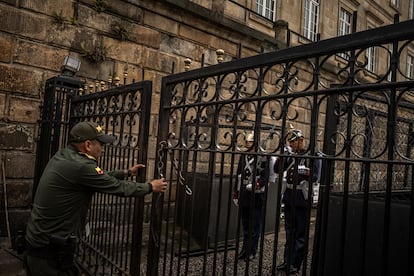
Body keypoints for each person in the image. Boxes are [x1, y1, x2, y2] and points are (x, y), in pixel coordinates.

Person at [25, 121, 168, 276]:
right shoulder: (82, 166)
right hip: (49, 253)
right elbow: (117, 187)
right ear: (87, 145)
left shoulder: (66, 156)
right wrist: (150, 187)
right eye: (101, 144)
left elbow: (97, 177)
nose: (103, 149)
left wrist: (126, 172)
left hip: (40, 242)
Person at [276, 129, 321, 274]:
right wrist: (281, 156)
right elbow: (277, 170)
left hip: (302, 198)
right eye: (289, 142)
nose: (291, 145)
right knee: (289, 232)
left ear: (300, 141)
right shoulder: (290, 156)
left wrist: (303, 170)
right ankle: (287, 260)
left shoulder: (311, 156)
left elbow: (315, 176)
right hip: (289, 197)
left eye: (292, 142)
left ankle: (295, 263)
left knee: (300, 234)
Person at [232, 132, 267, 261]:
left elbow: (265, 176)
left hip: (256, 195)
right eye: (247, 141)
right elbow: (238, 173)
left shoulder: (262, 157)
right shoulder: (243, 156)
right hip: (244, 194)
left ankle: (252, 251)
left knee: (254, 227)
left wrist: (257, 184)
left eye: (250, 142)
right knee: (246, 225)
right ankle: (244, 250)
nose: (247, 144)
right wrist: (236, 191)